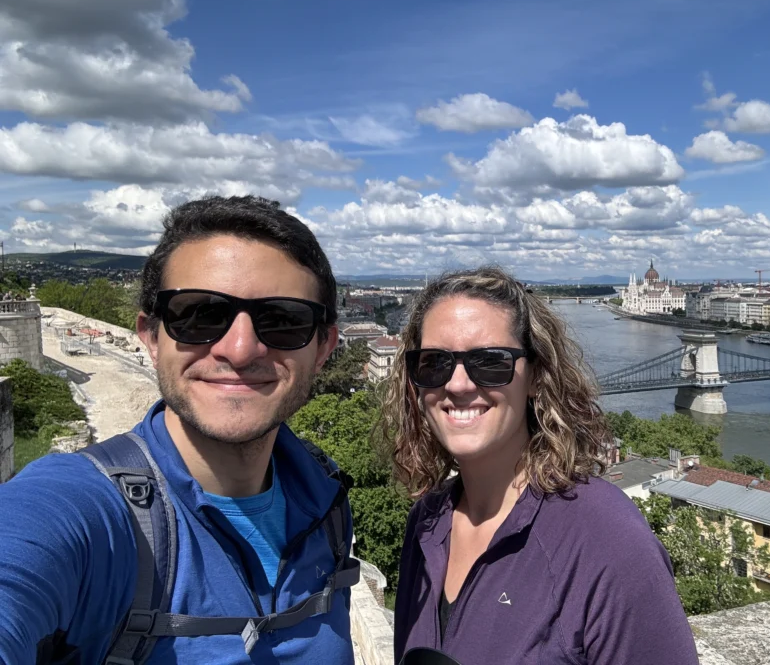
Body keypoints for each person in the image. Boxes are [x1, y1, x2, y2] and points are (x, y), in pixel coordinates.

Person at [0, 195, 360, 664]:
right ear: (151, 336)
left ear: (324, 345)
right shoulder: (84, 511)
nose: (240, 348)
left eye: (282, 320)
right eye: (199, 315)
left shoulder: (324, 501)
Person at [382, 267, 700, 664]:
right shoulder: (427, 522)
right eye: (433, 363)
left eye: (490, 361)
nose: (458, 385)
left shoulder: (607, 540)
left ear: (535, 376)